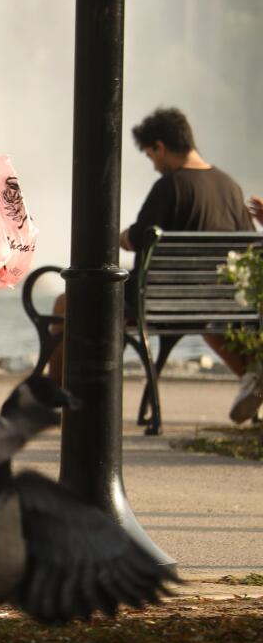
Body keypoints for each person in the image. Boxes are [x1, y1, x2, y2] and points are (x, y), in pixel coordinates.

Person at [46, 107, 259, 422]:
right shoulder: (230, 187)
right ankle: (253, 379)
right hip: (219, 304)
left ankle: (52, 399)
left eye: (150, 155)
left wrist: (121, 237)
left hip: (157, 302)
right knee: (109, 304)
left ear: (159, 146)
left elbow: (140, 237)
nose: (154, 164)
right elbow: (249, 249)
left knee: (67, 302)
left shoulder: (170, 186)